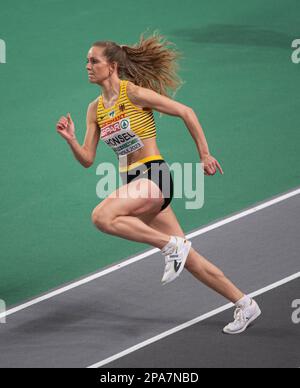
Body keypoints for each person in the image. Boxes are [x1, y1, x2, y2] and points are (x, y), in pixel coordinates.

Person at [56, 32, 261, 334]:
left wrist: (204, 154)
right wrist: (72, 140)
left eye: (93, 61)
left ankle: (169, 246)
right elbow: (88, 159)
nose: (87, 65)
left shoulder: (133, 93)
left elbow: (185, 111)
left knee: (102, 216)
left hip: (153, 176)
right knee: (190, 258)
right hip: (134, 183)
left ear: (111, 66)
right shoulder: (94, 109)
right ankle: (245, 303)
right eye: (87, 61)